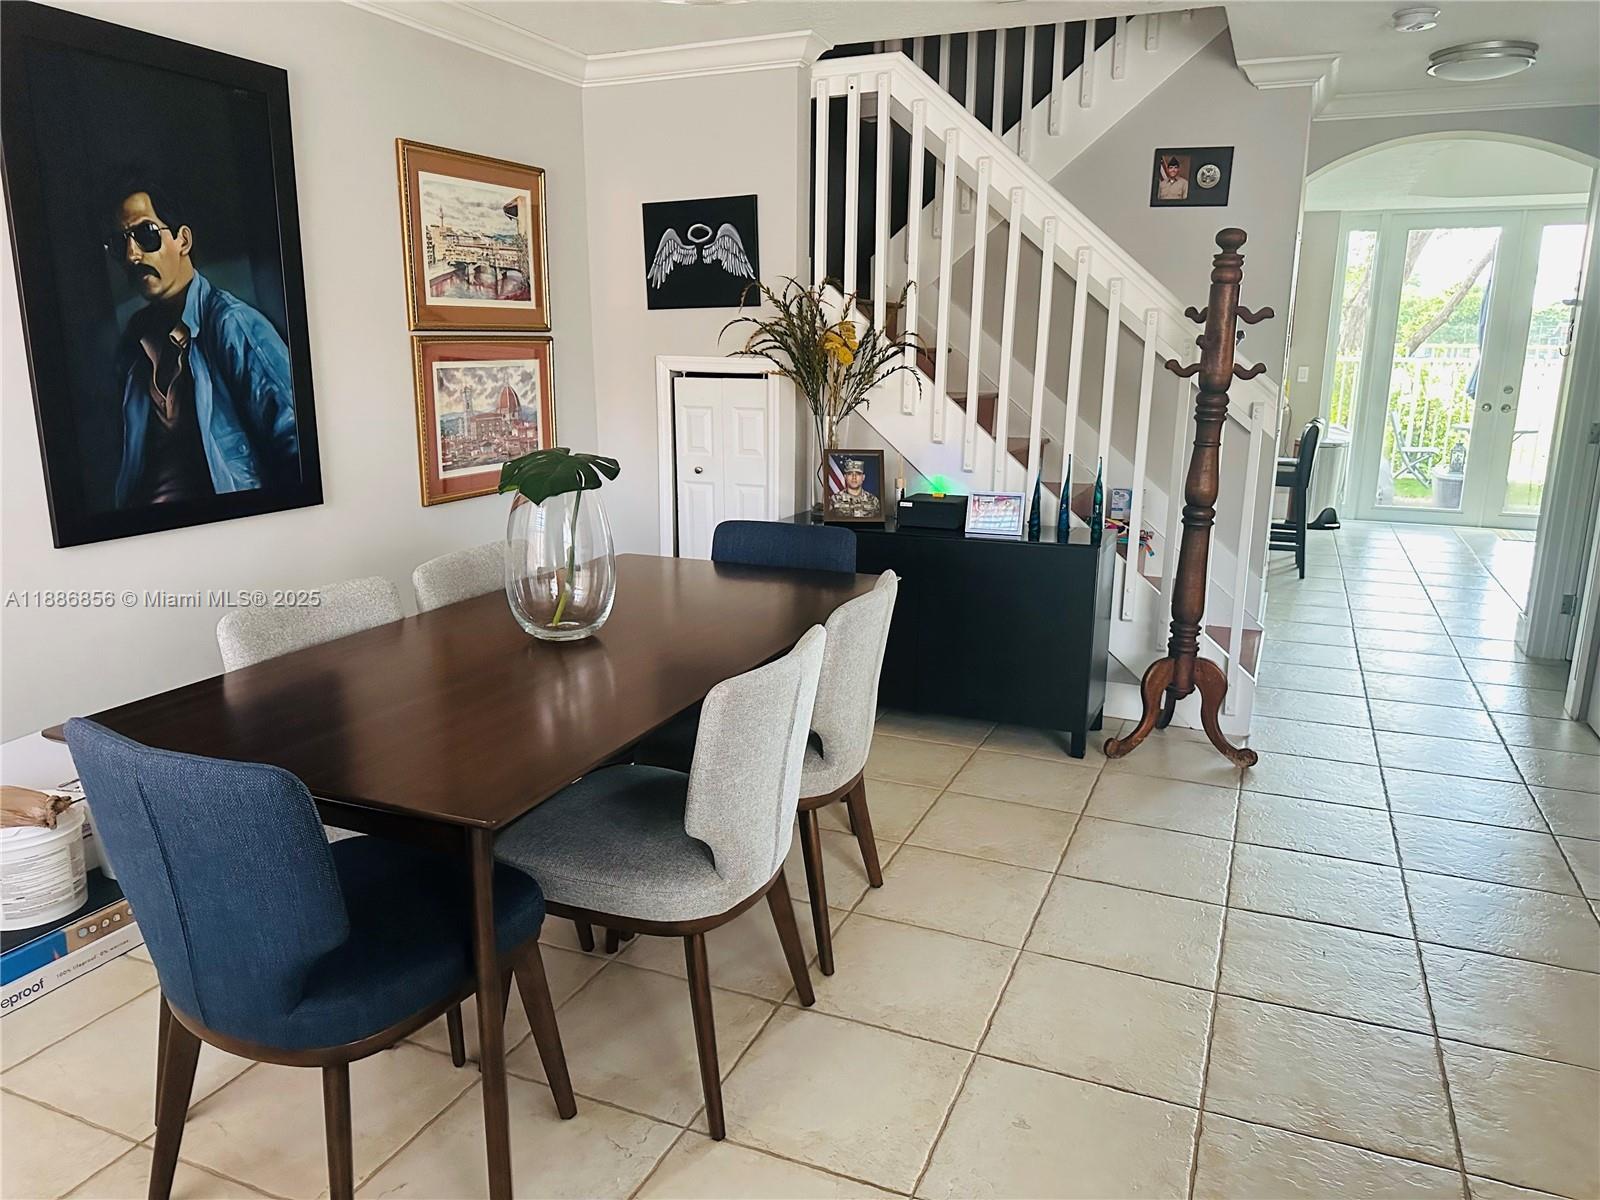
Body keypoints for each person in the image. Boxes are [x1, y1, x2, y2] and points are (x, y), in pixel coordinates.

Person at [102, 172, 299, 508]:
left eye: (146, 235)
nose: (133, 255)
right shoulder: (133, 343)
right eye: (121, 244)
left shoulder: (232, 325)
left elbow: (295, 443)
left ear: (183, 241)